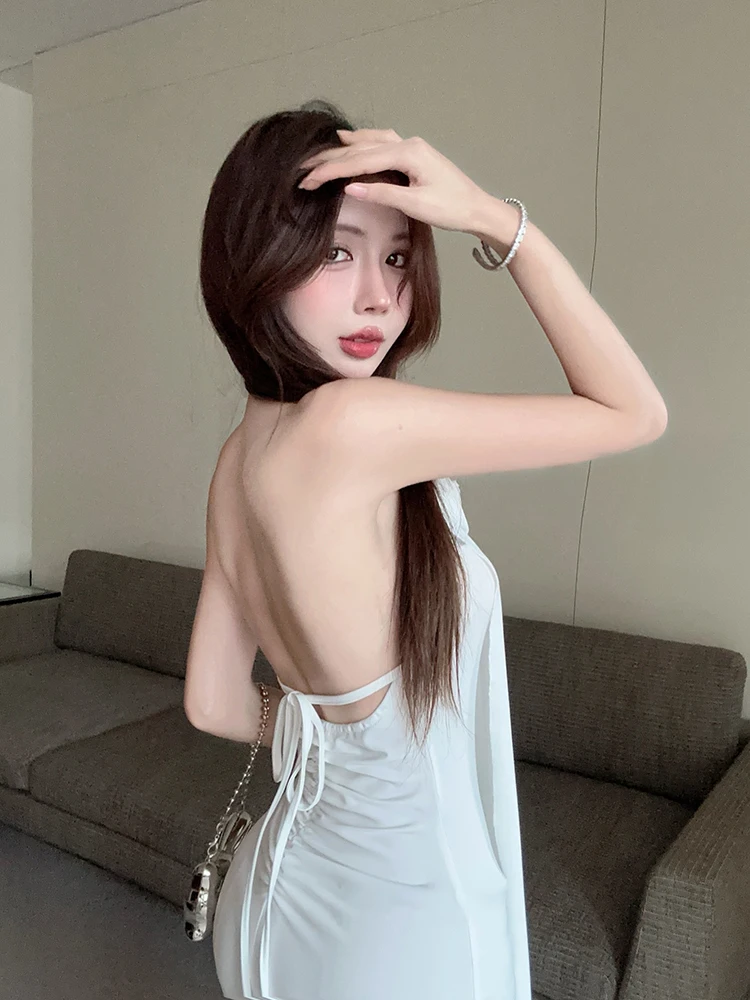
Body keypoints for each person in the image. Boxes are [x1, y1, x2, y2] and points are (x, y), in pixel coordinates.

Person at [184, 99, 668, 1000]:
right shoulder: (351, 424)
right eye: (336, 253)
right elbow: (635, 411)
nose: (379, 295)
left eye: (399, 256)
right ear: (256, 260)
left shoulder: (238, 456)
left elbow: (212, 702)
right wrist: (491, 217)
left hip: (272, 904)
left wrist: (334, 735)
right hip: (404, 923)